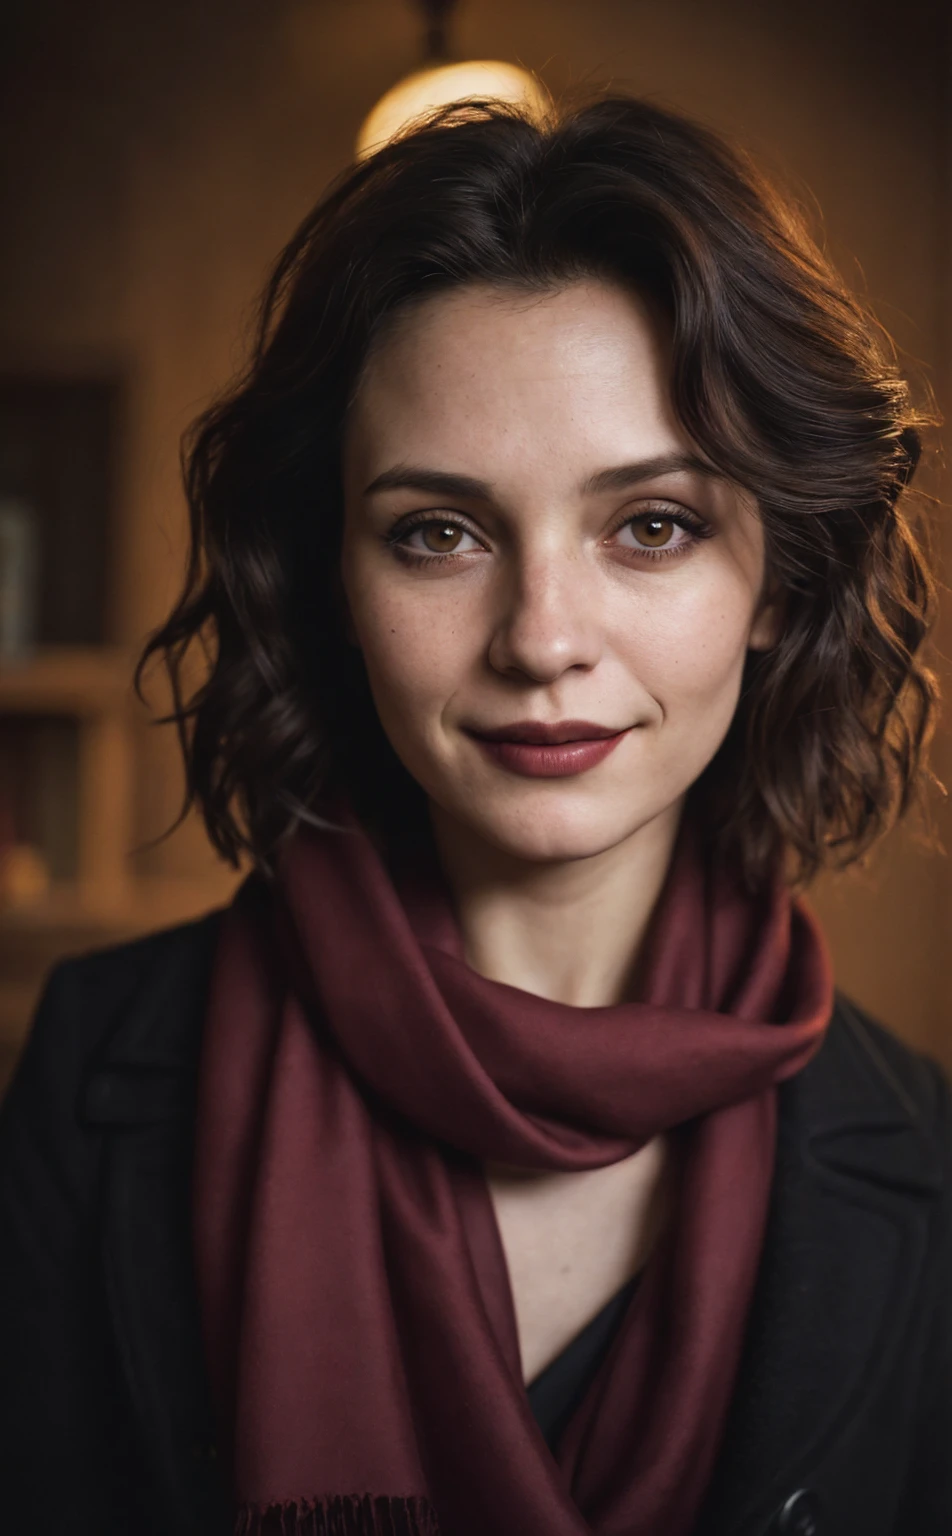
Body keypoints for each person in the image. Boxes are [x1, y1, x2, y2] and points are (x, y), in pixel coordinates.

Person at [0, 93, 948, 1536]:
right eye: (438, 533)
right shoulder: (93, 1070)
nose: (541, 637)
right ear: (333, 580)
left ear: (782, 587)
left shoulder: (930, 1162)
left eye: (653, 525)